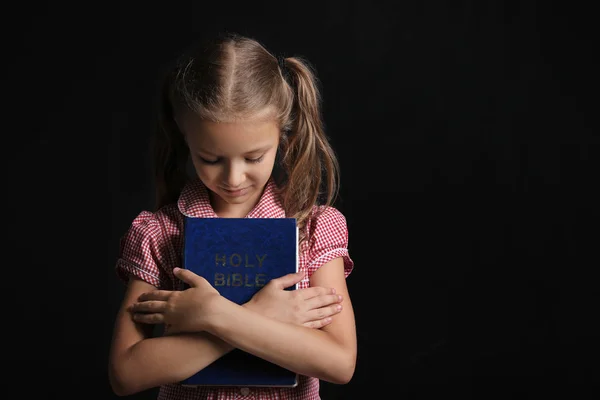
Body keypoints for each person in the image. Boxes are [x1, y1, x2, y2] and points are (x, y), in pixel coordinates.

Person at [108, 32, 356, 400]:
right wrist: (259, 315)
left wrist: (217, 316)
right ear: (184, 137)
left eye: (253, 158)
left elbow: (339, 363)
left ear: (282, 137)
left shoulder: (314, 227)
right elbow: (125, 374)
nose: (234, 177)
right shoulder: (159, 233)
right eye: (211, 159)